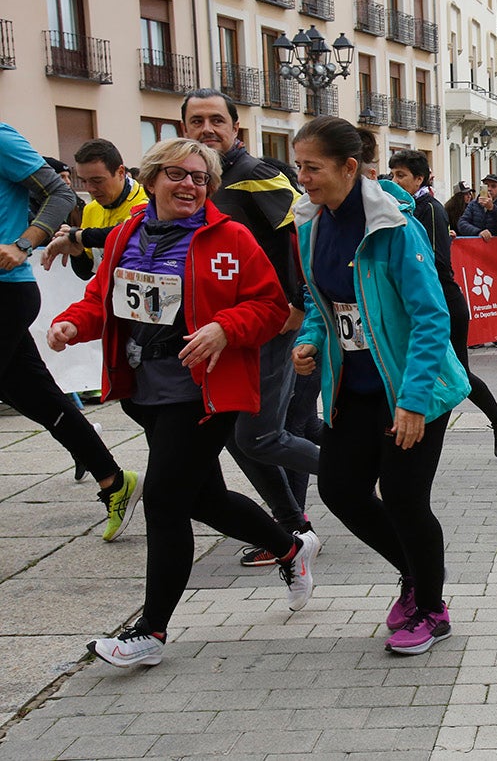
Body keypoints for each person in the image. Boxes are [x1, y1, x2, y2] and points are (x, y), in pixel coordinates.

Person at [50, 138, 318, 667]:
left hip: (204, 391)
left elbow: (269, 306)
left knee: (165, 501)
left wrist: (223, 327)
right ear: (151, 180)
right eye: (178, 174)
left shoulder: (232, 237)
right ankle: (291, 547)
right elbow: (102, 298)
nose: (189, 185)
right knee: (203, 499)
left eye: (200, 178)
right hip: (144, 390)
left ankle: (150, 632)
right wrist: (72, 325)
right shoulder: (127, 232)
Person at [290, 117, 470, 655]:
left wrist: (413, 402)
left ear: (350, 168)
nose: (303, 178)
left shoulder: (395, 227)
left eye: (313, 167)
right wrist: (310, 342)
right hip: (353, 391)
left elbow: (431, 318)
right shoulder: (311, 225)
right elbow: (324, 306)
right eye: (299, 166)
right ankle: (415, 575)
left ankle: (433, 609)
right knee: (339, 489)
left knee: (405, 498)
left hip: (412, 390)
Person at [180, 89, 321, 567]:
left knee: (258, 434)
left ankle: (345, 479)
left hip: (272, 323)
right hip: (226, 331)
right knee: (239, 433)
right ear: (184, 129)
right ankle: (291, 525)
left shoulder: (253, 173)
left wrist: (300, 304)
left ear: (235, 129)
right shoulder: (197, 183)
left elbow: (305, 227)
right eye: (196, 121)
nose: (207, 129)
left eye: (216, 120)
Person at [0, 122, 143, 542]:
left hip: (6, 290)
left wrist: (24, 243)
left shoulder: (2, 139)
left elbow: (59, 193)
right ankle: (114, 483)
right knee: (38, 399)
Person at [388, 149, 497, 457]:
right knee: (440, 372)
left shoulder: (428, 209)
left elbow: (434, 262)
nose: (394, 180)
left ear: (419, 178)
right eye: (392, 174)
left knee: (456, 374)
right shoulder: (403, 207)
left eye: (401, 175)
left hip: (443, 303)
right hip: (425, 304)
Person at [42, 139, 148, 281]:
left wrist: (76, 235)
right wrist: (76, 252)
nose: (90, 189)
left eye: (97, 181)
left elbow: (124, 234)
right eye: (84, 181)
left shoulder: (149, 202)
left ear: (121, 172)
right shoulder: (91, 209)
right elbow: (87, 272)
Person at [455, 173, 497, 239]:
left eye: (493, 186)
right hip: (478, 246)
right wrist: (478, 232)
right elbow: (462, 223)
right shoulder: (473, 204)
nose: (489, 189)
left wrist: (492, 208)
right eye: (486, 185)